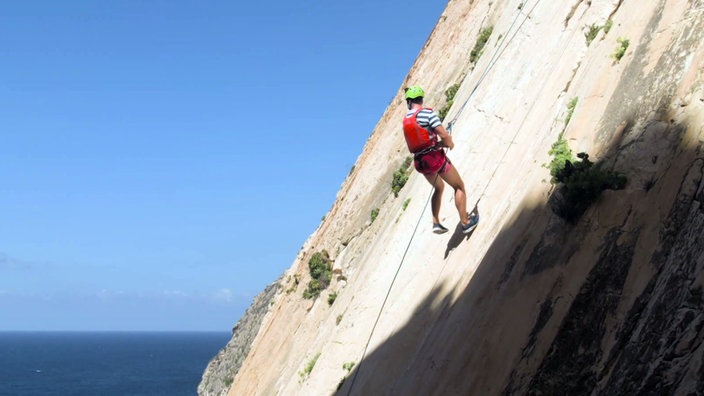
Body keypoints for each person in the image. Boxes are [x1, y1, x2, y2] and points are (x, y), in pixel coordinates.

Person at [402, 85, 478, 235]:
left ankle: (436, 222)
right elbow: (443, 135)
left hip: (421, 163)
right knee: (458, 186)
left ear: (409, 102)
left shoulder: (406, 120)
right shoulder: (426, 114)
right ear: (421, 99)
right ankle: (466, 222)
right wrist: (449, 143)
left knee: (439, 188)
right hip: (434, 158)